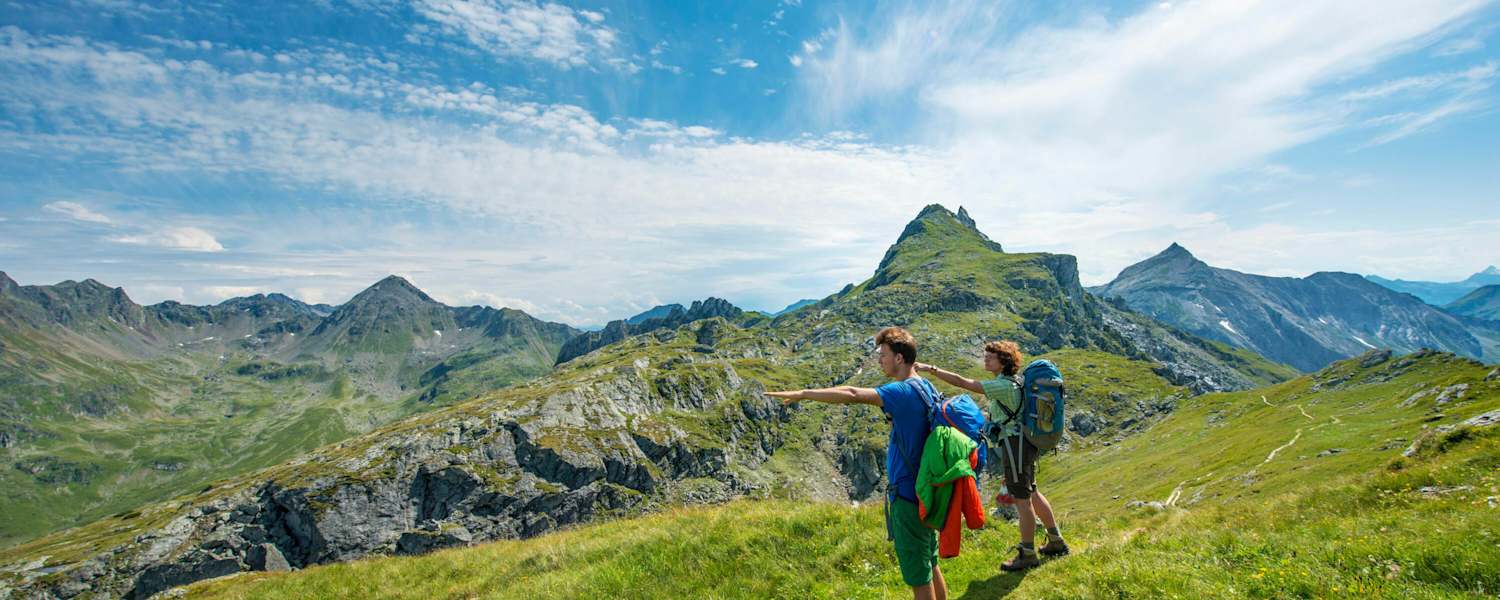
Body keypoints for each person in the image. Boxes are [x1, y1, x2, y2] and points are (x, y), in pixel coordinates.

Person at [766, 327, 948, 600]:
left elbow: (852, 394)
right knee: (930, 562)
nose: (879, 360)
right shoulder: (926, 386)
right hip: (928, 489)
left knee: (918, 576)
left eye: (883, 355)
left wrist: (804, 393)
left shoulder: (901, 391)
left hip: (908, 497)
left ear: (899, 358)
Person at [915, 340, 1069, 571]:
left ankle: (1027, 554)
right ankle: (1055, 540)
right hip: (1023, 442)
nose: (985, 359)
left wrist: (931, 370)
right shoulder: (1015, 382)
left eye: (990, 356)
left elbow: (963, 382)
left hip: (1014, 444)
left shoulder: (1004, 386)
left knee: (1022, 500)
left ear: (1004, 361)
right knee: (1032, 491)